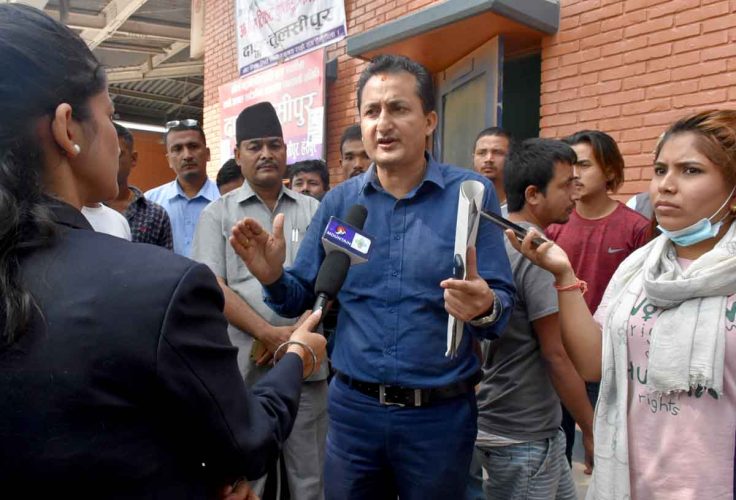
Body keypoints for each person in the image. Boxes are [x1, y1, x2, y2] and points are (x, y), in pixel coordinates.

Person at [0, 5, 326, 498]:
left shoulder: (315, 209)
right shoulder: (160, 288)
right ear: (68, 129)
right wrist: (296, 355)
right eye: (111, 116)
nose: (118, 142)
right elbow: (244, 444)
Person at [231, 54, 515, 499]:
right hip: (353, 416)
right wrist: (271, 277)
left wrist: (484, 307)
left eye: (398, 108)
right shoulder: (342, 204)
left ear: (429, 120)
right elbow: (300, 298)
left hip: (438, 420)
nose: (383, 124)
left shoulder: (468, 196)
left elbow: (500, 307)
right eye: (372, 111)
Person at [510, 109, 736, 500]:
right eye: (660, 170)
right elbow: (593, 363)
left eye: (691, 171)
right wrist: (564, 275)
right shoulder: (639, 268)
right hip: (629, 485)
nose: (665, 186)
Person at [193, 101, 326, 500]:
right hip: (241, 372)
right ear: (238, 154)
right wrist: (268, 333)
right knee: (246, 481)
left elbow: (333, 279)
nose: (266, 154)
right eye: (255, 146)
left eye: (274, 144)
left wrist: (295, 336)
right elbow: (212, 286)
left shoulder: (314, 209)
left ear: (286, 150)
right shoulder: (217, 215)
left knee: (310, 480)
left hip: (305, 367)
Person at [475, 138, 593, 499]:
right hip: (522, 435)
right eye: (565, 185)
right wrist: (591, 427)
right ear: (533, 194)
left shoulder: (493, 235)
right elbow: (556, 355)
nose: (574, 194)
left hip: (519, 424)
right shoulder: (536, 253)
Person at [545, 130, 650, 462]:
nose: (575, 174)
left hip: (610, 361)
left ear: (610, 170)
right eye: (570, 166)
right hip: (557, 359)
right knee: (556, 455)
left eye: (584, 165)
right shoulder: (554, 227)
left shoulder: (637, 228)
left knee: (609, 457)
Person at [145, 119, 220, 257]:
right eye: (177, 149)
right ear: (168, 160)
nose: (187, 156)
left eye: (193, 146)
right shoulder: (150, 202)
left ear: (208, 154)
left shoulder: (224, 198)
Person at [105, 122, 173, 249]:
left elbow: (164, 260)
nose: (109, 160)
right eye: (104, 153)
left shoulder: (155, 215)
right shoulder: (84, 210)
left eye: (118, 154)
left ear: (133, 159)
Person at [473, 127, 512, 215]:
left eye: (497, 152)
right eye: (482, 153)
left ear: (512, 157)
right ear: (473, 158)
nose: (488, 159)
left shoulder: (522, 210)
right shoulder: (462, 203)